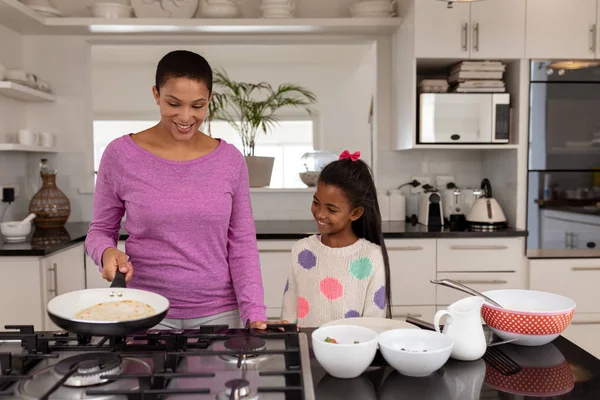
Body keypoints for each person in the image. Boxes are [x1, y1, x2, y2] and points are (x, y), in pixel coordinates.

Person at [85, 50, 280, 330]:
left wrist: (255, 313)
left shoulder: (230, 160)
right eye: (174, 103)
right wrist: (105, 252)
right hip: (144, 311)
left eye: (198, 105)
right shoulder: (120, 155)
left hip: (218, 314)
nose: (186, 116)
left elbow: (243, 244)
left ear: (209, 100)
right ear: (156, 95)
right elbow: (100, 230)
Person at [281, 150, 392, 327]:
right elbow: (289, 310)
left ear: (355, 213)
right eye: (316, 202)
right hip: (308, 349)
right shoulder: (302, 250)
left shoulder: (371, 256)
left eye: (331, 210)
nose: (320, 213)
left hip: (353, 351)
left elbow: (375, 322)